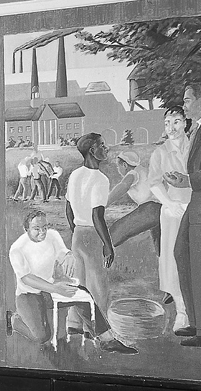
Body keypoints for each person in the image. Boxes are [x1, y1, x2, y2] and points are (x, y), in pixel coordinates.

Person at [65, 133, 136, 354]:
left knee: (80, 282)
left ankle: (75, 325)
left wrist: (75, 230)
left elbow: (68, 208)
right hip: (92, 235)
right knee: (98, 288)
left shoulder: (75, 175)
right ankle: (104, 338)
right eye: (102, 146)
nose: (106, 149)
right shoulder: (100, 179)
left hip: (78, 234)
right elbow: (97, 215)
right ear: (91, 151)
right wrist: (107, 244)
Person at [165, 69, 201, 347]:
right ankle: (196, 321)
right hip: (198, 200)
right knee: (181, 252)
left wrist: (187, 180)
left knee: (199, 263)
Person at [146, 107, 191, 333]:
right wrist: (169, 203)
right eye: (167, 123)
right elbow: (154, 183)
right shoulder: (161, 153)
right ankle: (182, 313)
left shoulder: (195, 146)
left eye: (176, 122)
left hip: (197, 207)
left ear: (185, 123)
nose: (171, 128)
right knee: (174, 261)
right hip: (173, 211)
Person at [9, 210, 78, 344]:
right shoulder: (17, 248)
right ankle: (13, 321)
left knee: (84, 295)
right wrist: (55, 288)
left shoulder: (52, 236)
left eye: (45, 227)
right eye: (37, 228)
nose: (42, 232)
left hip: (49, 290)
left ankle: (102, 336)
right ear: (26, 229)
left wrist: (69, 255)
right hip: (28, 295)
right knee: (42, 337)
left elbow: (62, 252)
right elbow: (26, 278)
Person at [107, 151, 161, 255]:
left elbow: (123, 186)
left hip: (150, 209)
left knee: (114, 232)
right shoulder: (144, 170)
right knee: (160, 244)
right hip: (161, 208)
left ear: (124, 165)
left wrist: (104, 204)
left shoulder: (133, 173)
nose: (118, 170)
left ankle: (99, 254)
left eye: (118, 166)